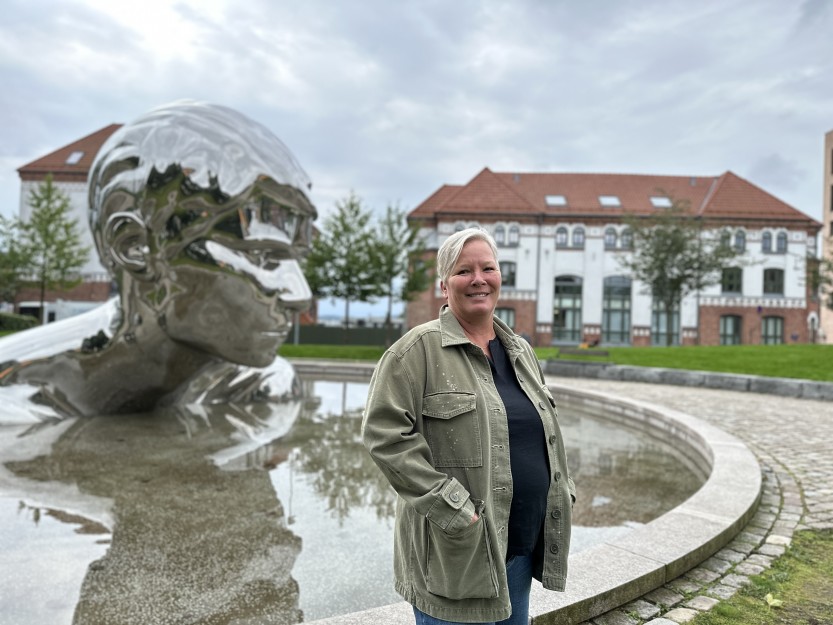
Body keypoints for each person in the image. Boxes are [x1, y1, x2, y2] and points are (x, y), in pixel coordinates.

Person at [0, 100, 316, 420]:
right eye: (262, 256)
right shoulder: (12, 407)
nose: (301, 296)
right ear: (136, 248)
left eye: (297, 259)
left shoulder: (255, 385)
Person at [362, 227, 575, 624]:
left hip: (519, 551)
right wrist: (456, 510)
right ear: (444, 285)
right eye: (463, 271)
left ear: (499, 278)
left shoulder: (520, 350)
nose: (478, 279)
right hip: (458, 555)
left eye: (488, 268)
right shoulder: (414, 352)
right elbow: (384, 437)